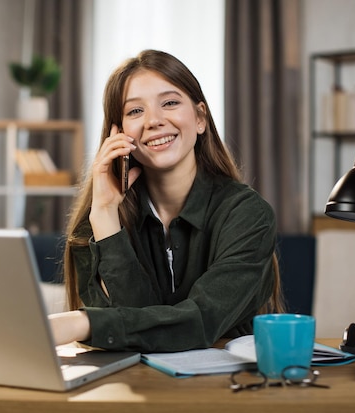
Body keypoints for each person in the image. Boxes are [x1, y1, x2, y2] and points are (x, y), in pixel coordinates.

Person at [49, 49, 283, 352]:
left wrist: (83, 323)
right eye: (135, 111)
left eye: (170, 103)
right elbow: (130, 325)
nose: (154, 121)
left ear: (200, 118)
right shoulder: (97, 219)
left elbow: (201, 320)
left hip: (230, 388)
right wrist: (106, 214)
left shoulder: (248, 214)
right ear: (117, 134)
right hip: (131, 389)